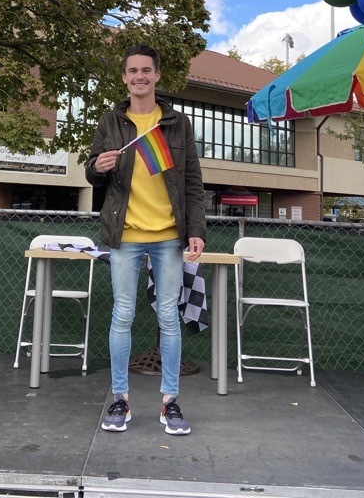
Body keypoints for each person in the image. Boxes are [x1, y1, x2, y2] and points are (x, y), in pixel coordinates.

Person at [86, 44, 206, 436]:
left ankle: (170, 402)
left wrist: (196, 231)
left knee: (167, 318)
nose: (139, 76)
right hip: (125, 234)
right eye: (132, 71)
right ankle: (120, 399)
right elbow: (93, 173)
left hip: (170, 236)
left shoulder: (176, 123)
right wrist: (98, 167)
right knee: (123, 315)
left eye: (146, 70)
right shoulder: (110, 121)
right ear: (124, 78)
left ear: (156, 76)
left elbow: (192, 181)